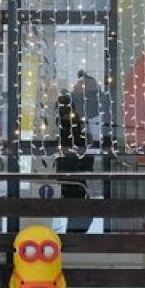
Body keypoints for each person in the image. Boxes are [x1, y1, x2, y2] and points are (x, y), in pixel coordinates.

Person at [55, 91, 93, 233]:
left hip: (71, 176)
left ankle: (73, 235)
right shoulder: (77, 126)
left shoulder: (69, 126)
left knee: (76, 208)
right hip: (73, 177)